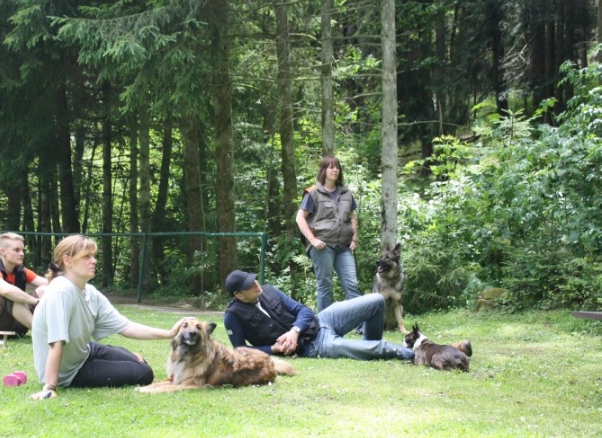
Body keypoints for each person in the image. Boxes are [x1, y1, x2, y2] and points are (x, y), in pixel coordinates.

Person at [29, 234, 187, 400]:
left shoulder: (89, 291)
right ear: (67, 260)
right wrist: (50, 386)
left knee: (139, 362)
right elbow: (56, 342)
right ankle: (127, 361)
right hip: (69, 372)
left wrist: (169, 333)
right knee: (144, 373)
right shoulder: (61, 291)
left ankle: (130, 358)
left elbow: (126, 327)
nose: (94, 261)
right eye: (86, 256)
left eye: (94, 256)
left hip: (85, 351)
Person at [223, 270, 414, 361]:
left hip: (322, 320)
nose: (256, 284)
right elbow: (241, 351)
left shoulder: (269, 290)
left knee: (376, 300)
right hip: (313, 345)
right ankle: (404, 352)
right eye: (250, 285)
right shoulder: (233, 316)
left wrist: (294, 331)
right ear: (239, 295)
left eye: (254, 279)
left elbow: (304, 311)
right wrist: (273, 348)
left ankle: (368, 346)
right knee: (367, 347)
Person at [296, 155, 361, 313]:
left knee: (352, 283)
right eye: (331, 167)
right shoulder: (313, 193)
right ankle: (324, 325)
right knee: (325, 284)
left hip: (344, 246)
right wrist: (312, 239)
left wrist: (354, 239)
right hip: (322, 246)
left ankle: (359, 325)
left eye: (337, 167)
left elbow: (352, 217)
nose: (335, 170)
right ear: (323, 170)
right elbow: (300, 218)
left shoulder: (346, 193)